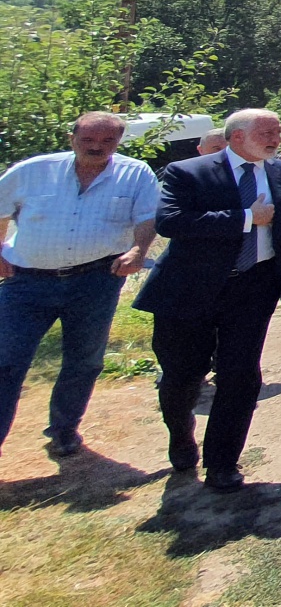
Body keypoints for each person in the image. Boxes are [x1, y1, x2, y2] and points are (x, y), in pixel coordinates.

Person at [137, 108, 281, 492]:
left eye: (278, 131)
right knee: (183, 376)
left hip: (254, 287)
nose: (275, 138)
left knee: (241, 375)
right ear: (237, 137)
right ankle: (181, 435)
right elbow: (172, 222)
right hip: (189, 290)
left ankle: (223, 463)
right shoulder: (189, 171)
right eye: (267, 132)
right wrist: (245, 218)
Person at [0, 112, 159, 458]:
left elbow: (147, 217)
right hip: (26, 282)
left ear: (118, 142)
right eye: (87, 140)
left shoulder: (135, 174)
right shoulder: (33, 171)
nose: (96, 147)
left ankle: (64, 429)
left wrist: (137, 250)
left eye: (107, 141)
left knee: (84, 360)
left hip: (96, 280)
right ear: (72, 138)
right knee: (6, 361)